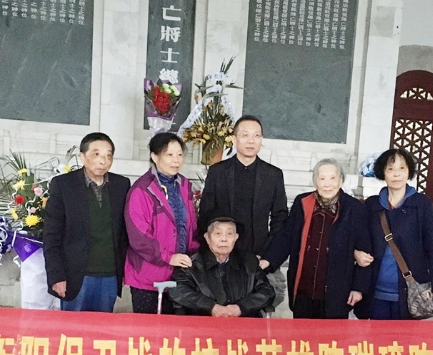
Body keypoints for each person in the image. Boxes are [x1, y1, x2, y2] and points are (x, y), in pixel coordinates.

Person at [259, 159, 372, 319]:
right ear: (315, 181)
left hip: (337, 291)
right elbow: (286, 236)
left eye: (332, 178)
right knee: (302, 333)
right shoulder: (302, 203)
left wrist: (358, 288)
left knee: (332, 334)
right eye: (322, 178)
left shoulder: (354, 208)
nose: (327, 184)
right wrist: (268, 260)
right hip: (304, 288)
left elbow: (365, 252)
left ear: (341, 180)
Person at [198, 114, 288, 304]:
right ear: (234, 139)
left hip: (258, 256)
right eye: (245, 135)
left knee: (258, 309)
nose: (251, 140)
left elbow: (280, 218)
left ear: (261, 140)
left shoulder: (273, 175)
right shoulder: (217, 172)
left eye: (256, 135)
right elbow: (205, 215)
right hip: (222, 256)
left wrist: (268, 257)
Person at [43, 132, 130, 312]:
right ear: (82, 157)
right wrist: (56, 276)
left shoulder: (121, 185)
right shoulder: (63, 185)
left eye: (108, 156)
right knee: (73, 328)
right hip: (75, 277)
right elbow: (51, 235)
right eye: (96, 154)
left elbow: (123, 233)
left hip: (109, 276)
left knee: (103, 327)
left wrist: (122, 271)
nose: (103, 161)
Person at [357, 148, 433, 319]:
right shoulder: (372, 205)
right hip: (376, 292)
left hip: (410, 293)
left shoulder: (422, 204)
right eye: (390, 169)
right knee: (377, 336)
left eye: (402, 168)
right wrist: (356, 254)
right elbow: (361, 243)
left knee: (405, 337)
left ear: (409, 172)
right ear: (383, 173)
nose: (396, 174)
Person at [124, 132, 198, 314]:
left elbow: (191, 226)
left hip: (180, 274)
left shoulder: (184, 185)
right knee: (148, 329)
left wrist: (195, 255)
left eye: (179, 154)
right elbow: (139, 238)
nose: (176, 160)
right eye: (169, 155)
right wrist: (168, 257)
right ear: (155, 157)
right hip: (148, 277)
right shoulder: (142, 190)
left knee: (175, 329)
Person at [169, 217, 275, 317]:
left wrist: (242, 307)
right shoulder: (191, 263)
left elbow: (267, 291)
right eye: (218, 233)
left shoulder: (249, 262)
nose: (224, 239)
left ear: (236, 237)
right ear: (207, 237)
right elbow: (177, 290)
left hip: (244, 324)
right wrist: (210, 306)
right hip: (202, 325)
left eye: (229, 234)